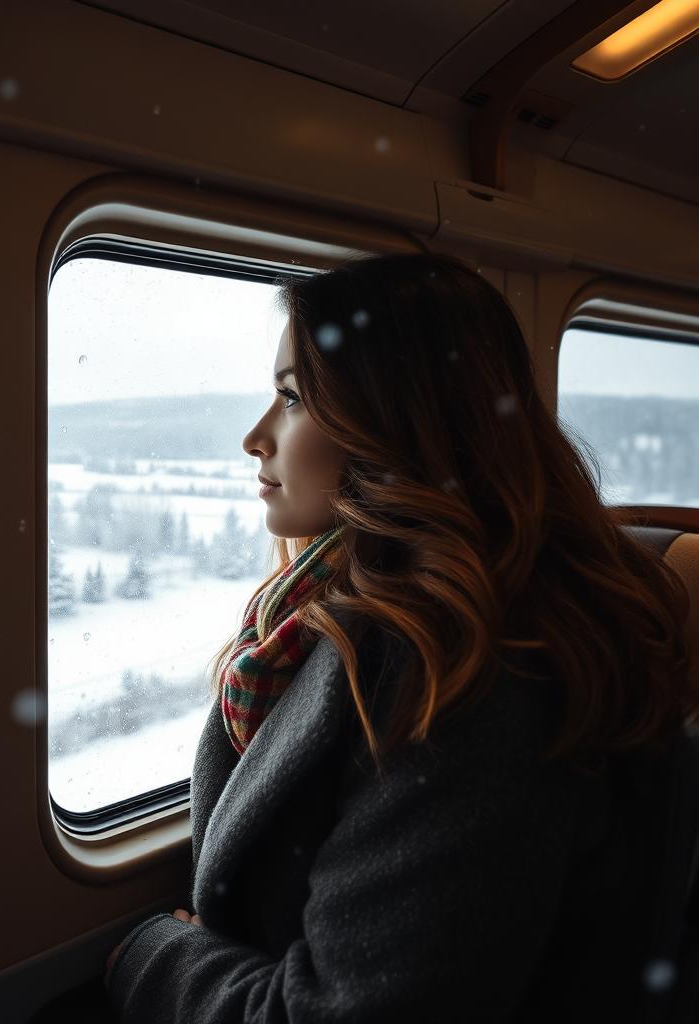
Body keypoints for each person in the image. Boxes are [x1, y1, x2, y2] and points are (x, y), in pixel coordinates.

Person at [103, 252, 696, 1022]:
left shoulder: (471, 673)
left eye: (290, 398)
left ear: (392, 419)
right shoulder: (337, 612)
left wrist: (154, 958)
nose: (255, 438)